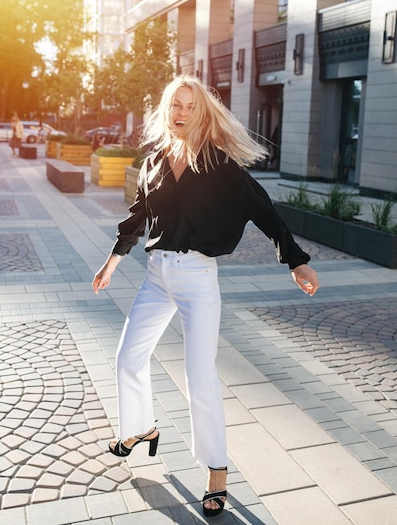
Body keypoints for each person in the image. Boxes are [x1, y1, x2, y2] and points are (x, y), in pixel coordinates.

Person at [92, 75, 319, 518]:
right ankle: (140, 429)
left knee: (200, 376)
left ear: (202, 114)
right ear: (165, 109)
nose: (180, 113)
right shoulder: (156, 160)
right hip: (157, 276)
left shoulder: (219, 164)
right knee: (127, 359)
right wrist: (111, 262)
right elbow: (139, 216)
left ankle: (216, 470)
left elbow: (263, 209)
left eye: (190, 107)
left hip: (197, 278)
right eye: (174, 105)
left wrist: (295, 260)